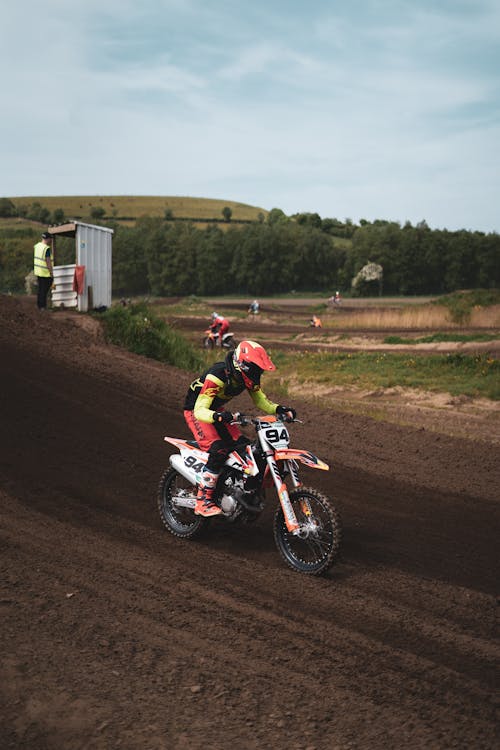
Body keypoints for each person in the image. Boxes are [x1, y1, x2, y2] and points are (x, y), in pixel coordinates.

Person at [183, 340, 296, 516]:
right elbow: (199, 410)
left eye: (260, 370)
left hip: (217, 411)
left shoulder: (245, 377)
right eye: (256, 369)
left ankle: (231, 488)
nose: (258, 373)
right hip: (197, 411)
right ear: (243, 364)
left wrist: (280, 409)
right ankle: (202, 500)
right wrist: (219, 416)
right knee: (218, 449)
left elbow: (260, 400)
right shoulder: (218, 375)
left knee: (243, 446)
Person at [33, 232, 55, 310]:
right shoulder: (46, 249)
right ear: (48, 239)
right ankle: (43, 307)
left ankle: (39, 305)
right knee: (44, 291)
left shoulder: (37, 246)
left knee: (40, 289)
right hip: (45, 273)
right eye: (50, 239)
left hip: (38, 272)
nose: (51, 240)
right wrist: (51, 273)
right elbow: (48, 261)